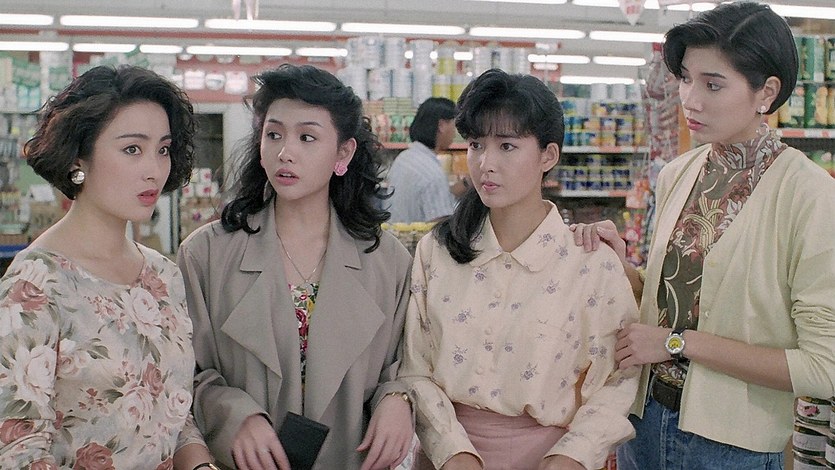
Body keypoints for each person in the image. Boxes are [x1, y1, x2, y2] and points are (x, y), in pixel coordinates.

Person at [571, 3, 835, 469]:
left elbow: (822, 368)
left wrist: (678, 343)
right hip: (641, 423)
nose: (690, 99)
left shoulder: (810, 196)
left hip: (730, 448)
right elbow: (678, 298)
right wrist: (618, 266)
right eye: (686, 78)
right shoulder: (679, 173)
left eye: (713, 84)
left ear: (766, 92)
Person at [398, 69, 640, 470]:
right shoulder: (436, 253)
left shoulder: (590, 263)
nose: (485, 164)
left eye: (507, 146)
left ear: (548, 156)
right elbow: (414, 364)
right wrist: (453, 451)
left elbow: (619, 378)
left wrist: (573, 455)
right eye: (476, 145)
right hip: (446, 460)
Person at [177, 64, 414, 470]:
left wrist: (399, 397)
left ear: (343, 153)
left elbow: (407, 363)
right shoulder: (207, 254)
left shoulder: (387, 261)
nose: (285, 151)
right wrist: (234, 415)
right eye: (273, 134)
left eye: (307, 137)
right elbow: (183, 374)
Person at [0, 65, 216, 469]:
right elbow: (18, 450)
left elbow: (173, 410)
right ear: (78, 157)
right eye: (132, 149)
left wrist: (201, 464)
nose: (154, 169)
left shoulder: (163, 276)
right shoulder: (35, 286)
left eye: (163, 149)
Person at [386, 97, 462, 223]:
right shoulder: (433, 173)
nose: (455, 133)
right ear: (441, 126)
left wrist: (465, 184)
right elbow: (439, 225)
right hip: (419, 236)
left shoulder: (403, 158)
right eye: (454, 125)